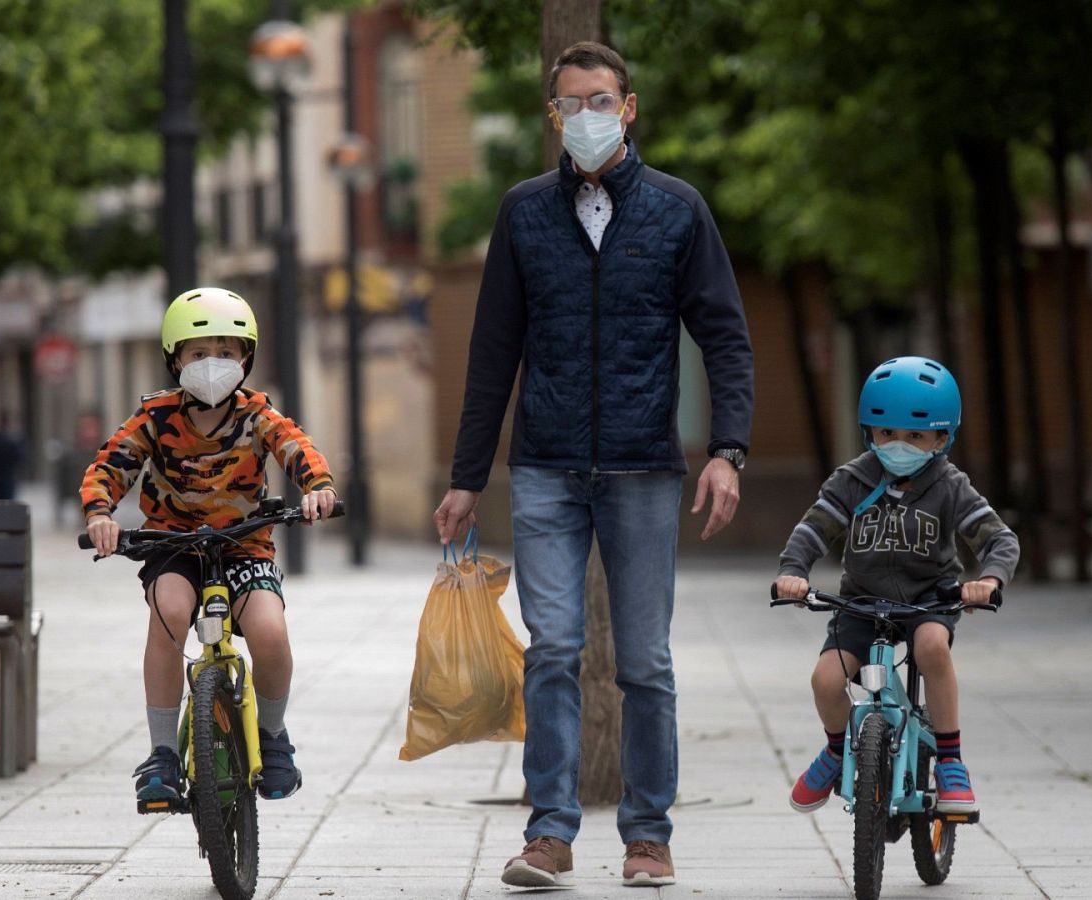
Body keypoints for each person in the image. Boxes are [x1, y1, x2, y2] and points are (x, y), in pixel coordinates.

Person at [433, 41, 754, 890]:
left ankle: (648, 837)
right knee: (553, 650)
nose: (587, 116)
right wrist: (467, 477)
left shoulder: (679, 211)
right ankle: (549, 833)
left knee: (645, 662)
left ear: (629, 107)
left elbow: (725, 337)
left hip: (644, 469)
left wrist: (727, 451)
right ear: (553, 116)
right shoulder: (523, 212)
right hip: (545, 468)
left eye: (601, 100)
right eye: (571, 104)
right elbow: (492, 351)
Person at [80, 287, 336, 806]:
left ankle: (273, 737)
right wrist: (100, 514)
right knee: (170, 614)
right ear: (175, 359)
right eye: (198, 353)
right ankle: (162, 754)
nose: (212, 363)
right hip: (173, 544)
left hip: (244, 546)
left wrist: (318, 487)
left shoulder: (257, 413)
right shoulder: (155, 417)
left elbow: (296, 446)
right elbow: (109, 465)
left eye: (225, 351)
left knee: (269, 632)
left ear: (246, 359)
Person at [772, 356, 1018, 817]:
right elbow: (814, 529)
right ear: (870, 432)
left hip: (929, 600)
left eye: (915, 436)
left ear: (942, 438)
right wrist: (794, 571)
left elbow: (999, 539)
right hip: (862, 603)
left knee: (932, 647)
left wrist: (988, 579)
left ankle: (950, 760)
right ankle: (837, 749)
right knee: (826, 679)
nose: (899, 445)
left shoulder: (950, 486)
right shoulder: (853, 480)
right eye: (887, 433)